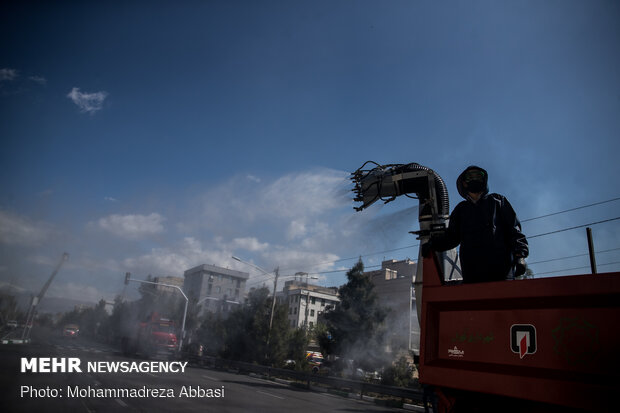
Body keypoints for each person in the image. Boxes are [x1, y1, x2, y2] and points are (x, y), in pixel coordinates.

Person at [423, 165, 528, 283]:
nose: (475, 179)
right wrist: (433, 244)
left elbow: (514, 231)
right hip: (473, 274)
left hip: (501, 272)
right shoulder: (461, 210)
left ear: (484, 181)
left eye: (478, 176)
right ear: (464, 183)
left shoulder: (497, 201)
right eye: (470, 177)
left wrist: (520, 256)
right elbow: (451, 237)